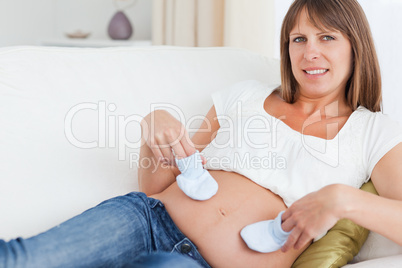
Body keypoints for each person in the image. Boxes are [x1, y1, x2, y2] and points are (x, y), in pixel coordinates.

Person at [1, 0, 401, 267]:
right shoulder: (244, 96)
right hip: (145, 217)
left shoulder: (372, 131)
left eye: (326, 37)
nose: (309, 52)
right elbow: (159, 184)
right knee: (22, 259)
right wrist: (153, 130)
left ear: (355, 46)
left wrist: (342, 200)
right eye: (299, 39)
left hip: (197, 263)